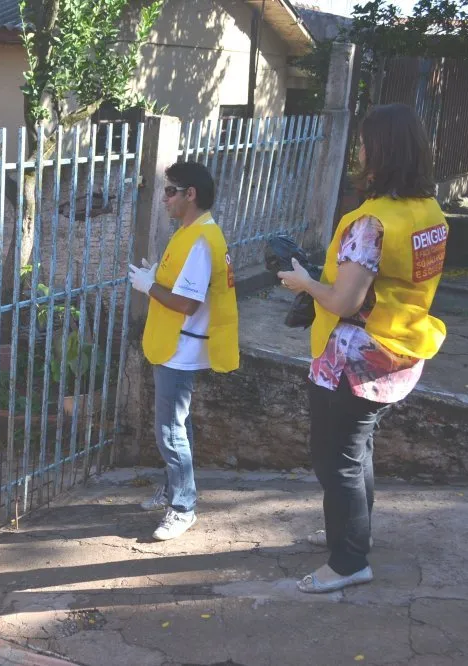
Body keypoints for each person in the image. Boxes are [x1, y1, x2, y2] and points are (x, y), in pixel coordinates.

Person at [277, 103, 449, 593]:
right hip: (401, 351)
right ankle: (352, 534)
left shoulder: (371, 222)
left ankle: (349, 562)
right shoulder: (430, 212)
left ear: (381, 152)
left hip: (356, 362)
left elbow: (343, 300)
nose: (359, 151)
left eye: (364, 143)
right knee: (358, 451)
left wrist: (305, 282)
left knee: (336, 460)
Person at [128, 161, 239, 542]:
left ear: (190, 194)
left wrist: (148, 286)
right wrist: (156, 277)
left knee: (170, 431)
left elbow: (188, 304)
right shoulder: (193, 233)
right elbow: (181, 286)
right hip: (176, 344)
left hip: (181, 347)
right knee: (178, 425)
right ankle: (174, 489)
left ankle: (183, 507)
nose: (164, 199)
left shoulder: (201, 240)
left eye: (170, 191)